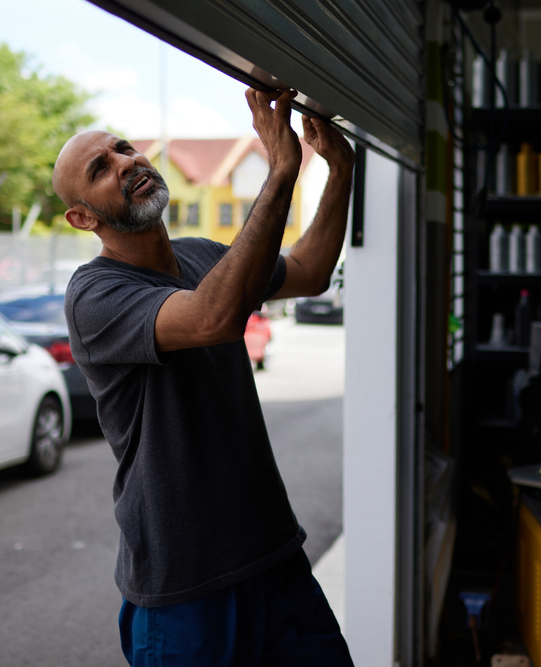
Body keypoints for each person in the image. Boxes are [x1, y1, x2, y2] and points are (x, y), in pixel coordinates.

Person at [51, 87, 355, 666]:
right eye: (101, 168)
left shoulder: (202, 256)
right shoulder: (94, 295)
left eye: (124, 148)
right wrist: (281, 171)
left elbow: (312, 270)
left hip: (275, 560)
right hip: (185, 592)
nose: (126, 162)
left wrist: (339, 169)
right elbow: (214, 316)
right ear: (83, 217)